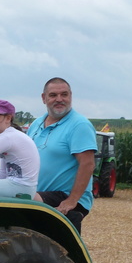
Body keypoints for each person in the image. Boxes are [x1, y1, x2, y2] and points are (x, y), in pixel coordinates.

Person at [27, 77, 97, 232]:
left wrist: (71, 201)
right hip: (39, 193)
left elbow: (88, 164)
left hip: (62, 196)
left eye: (64, 94)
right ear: (44, 98)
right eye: (53, 95)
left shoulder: (79, 125)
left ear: (70, 96)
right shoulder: (36, 124)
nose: (59, 99)